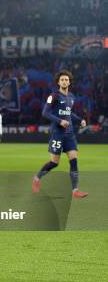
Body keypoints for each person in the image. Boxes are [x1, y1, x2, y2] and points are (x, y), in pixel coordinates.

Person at [32, 70, 88, 198]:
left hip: (69, 134)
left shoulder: (71, 97)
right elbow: (45, 113)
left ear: (69, 82)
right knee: (54, 163)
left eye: (66, 80)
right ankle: (37, 177)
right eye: (62, 79)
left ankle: (75, 190)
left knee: (74, 160)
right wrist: (59, 121)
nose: (64, 81)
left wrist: (80, 120)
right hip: (57, 134)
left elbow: (69, 114)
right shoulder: (54, 96)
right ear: (58, 82)